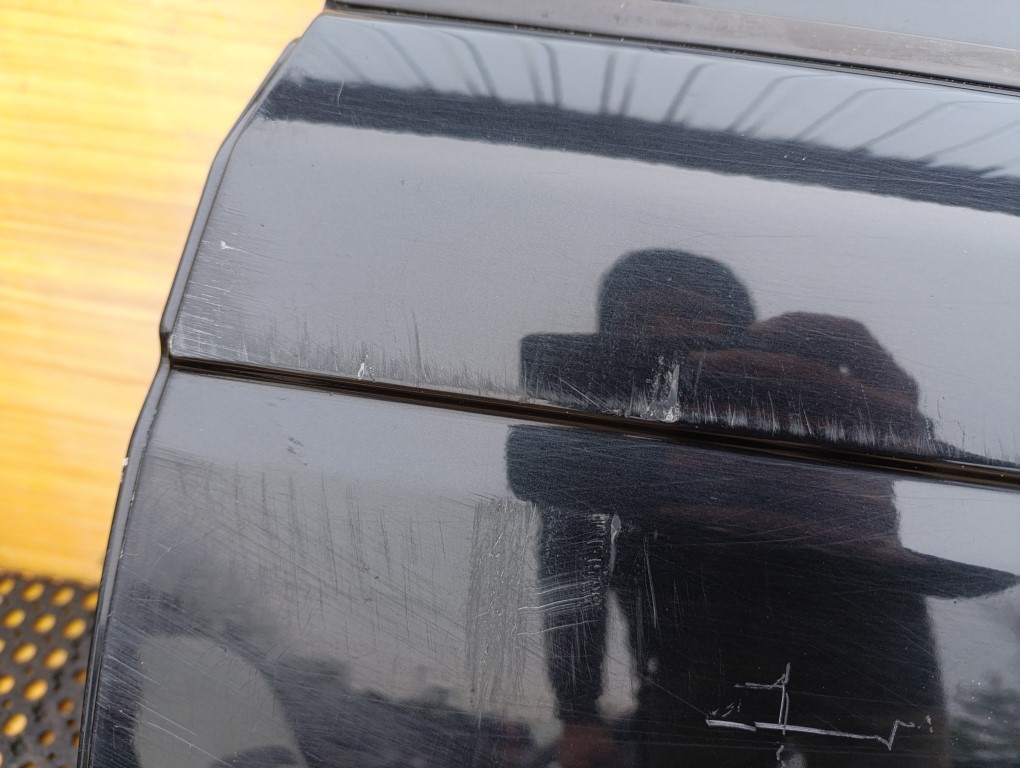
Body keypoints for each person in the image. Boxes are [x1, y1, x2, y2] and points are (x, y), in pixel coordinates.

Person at [508, 249, 1016, 768]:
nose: (667, 328)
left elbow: (984, 562)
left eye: (694, 314)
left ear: (747, 335)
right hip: (700, 686)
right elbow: (571, 578)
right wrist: (579, 715)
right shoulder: (604, 444)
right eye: (639, 319)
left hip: (873, 681)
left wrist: (903, 458)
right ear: (610, 341)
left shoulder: (824, 411)